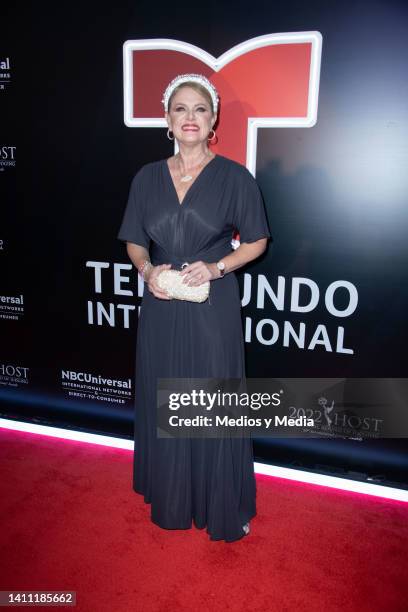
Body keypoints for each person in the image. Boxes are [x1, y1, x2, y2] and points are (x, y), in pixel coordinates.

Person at [117, 73, 271, 542]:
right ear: (167, 119)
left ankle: (219, 501)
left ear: (213, 120)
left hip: (212, 306)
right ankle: (172, 493)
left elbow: (257, 242)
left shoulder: (235, 177)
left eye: (199, 110)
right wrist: (148, 274)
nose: (190, 118)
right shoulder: (146, 178)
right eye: (180, 109)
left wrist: (216, 268)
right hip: (162, 304)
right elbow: (134, 243)